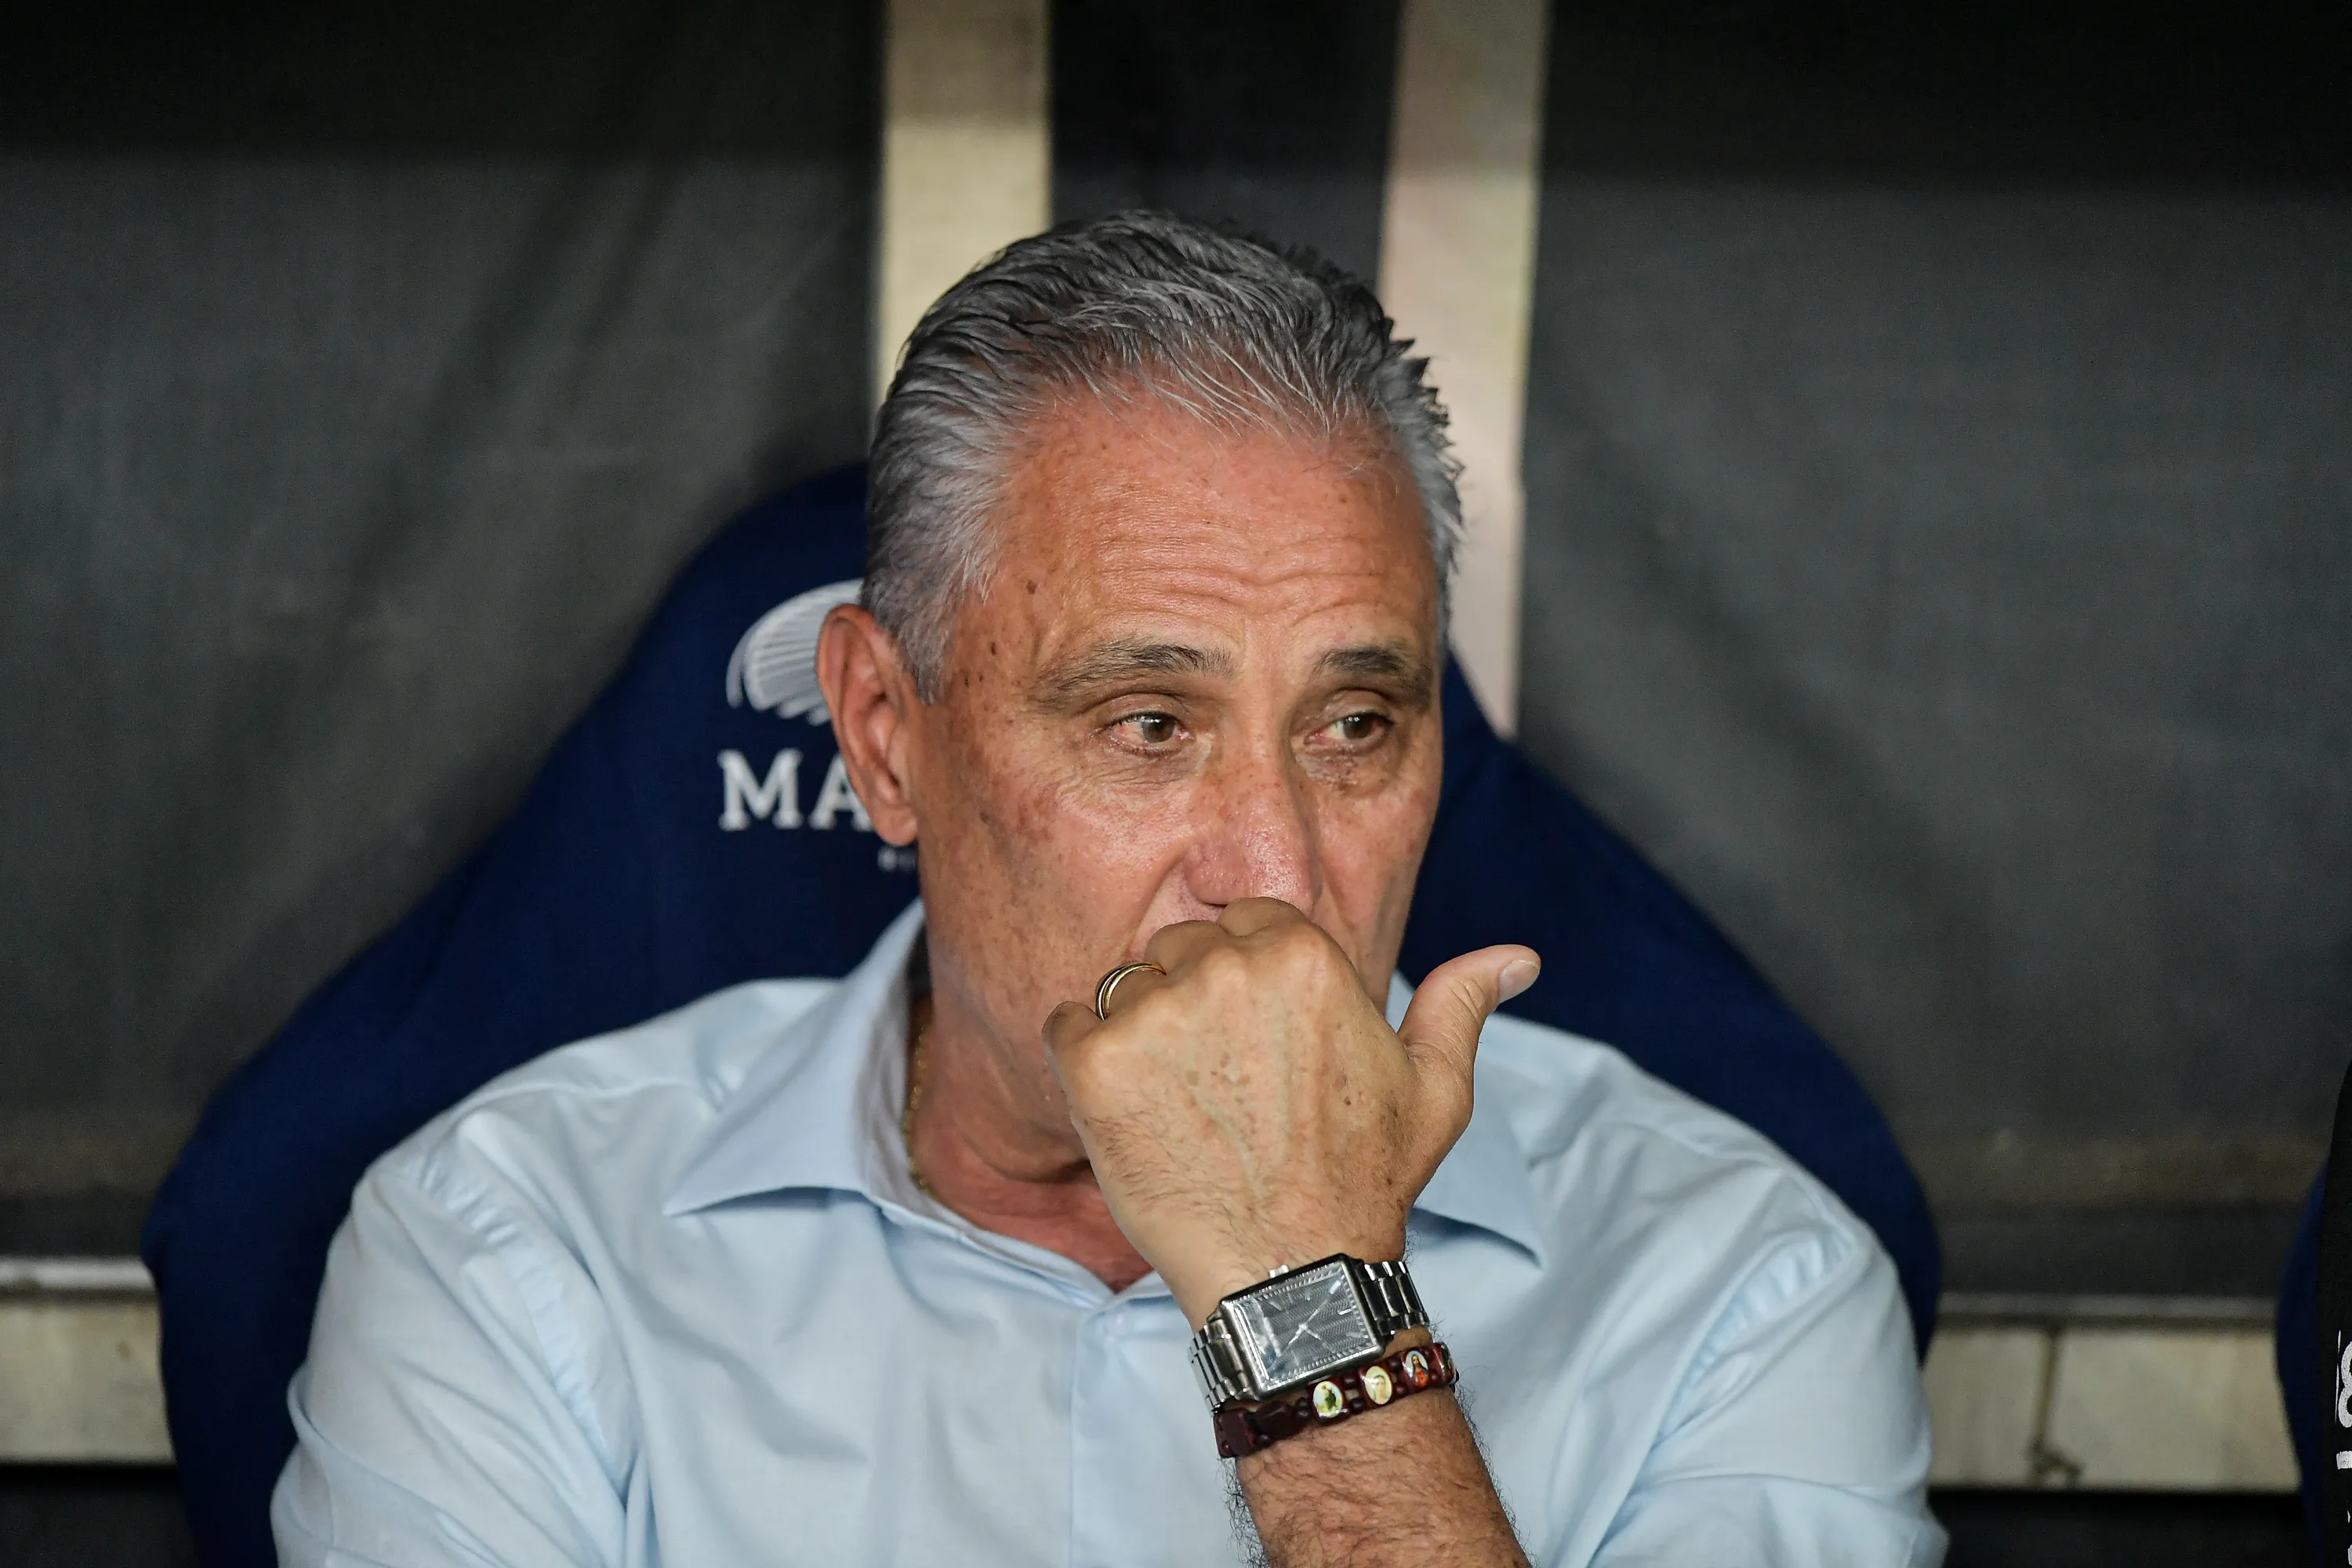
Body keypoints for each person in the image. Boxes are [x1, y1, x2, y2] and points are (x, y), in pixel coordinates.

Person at [274, 212, 1942, 1566]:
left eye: (1355, 725)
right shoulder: (515, 1253)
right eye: (1150, 725)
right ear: (883, 734)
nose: (1274, 869)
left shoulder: (1736, 1284)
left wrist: (1306, 1294)